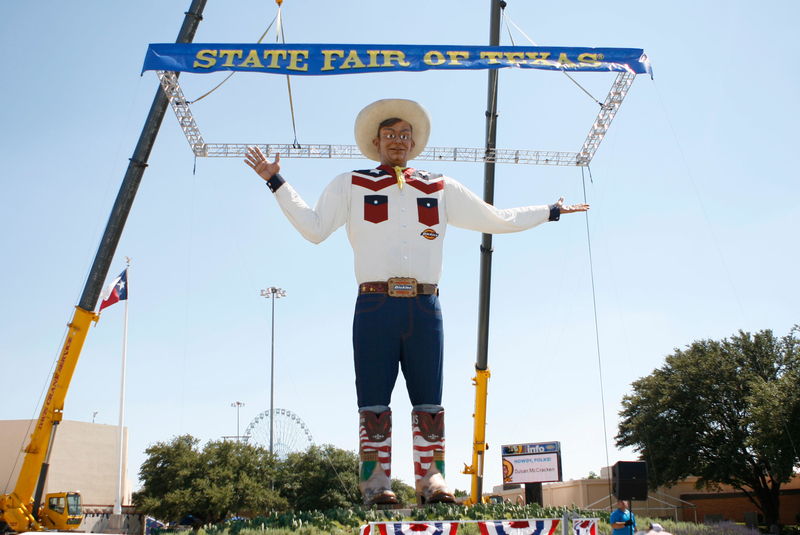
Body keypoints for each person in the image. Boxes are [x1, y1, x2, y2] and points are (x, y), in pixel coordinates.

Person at [245, 99, 589, 506]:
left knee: (430, 401)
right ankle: (376, 486)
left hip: (425, 306)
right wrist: (276, 181)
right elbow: (314, 228)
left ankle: (432, 482)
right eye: (390, 135)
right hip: (375, 304)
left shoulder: (440, 186)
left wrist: (549, 211)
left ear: (414, 143)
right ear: (375, 142)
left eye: (404, 135)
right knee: (373, 402)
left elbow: (496, 218)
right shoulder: (351, 183)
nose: (397, 141)